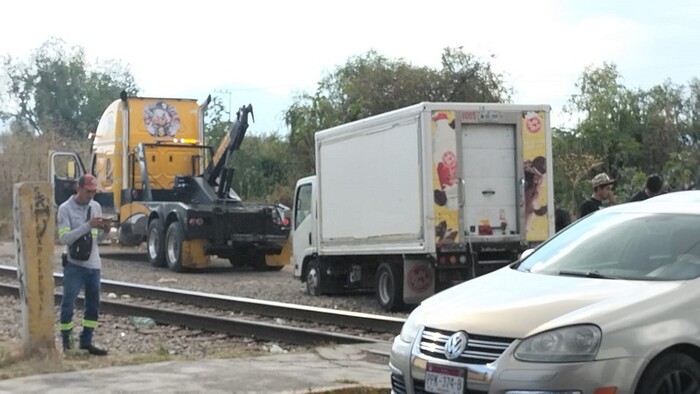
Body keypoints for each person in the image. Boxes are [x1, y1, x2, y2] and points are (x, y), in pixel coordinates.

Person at [57, 174, 110, 355]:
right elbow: (65, 238)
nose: (91, 196)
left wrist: (105, 231)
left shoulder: (96, 207)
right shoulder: (65, 209)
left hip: (93, 264)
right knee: (68, 303)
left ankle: (86, 340)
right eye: (88, 192)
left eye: (94, 192)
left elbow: (99, 239)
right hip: (74, 264)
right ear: (77, 189)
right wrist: (88, 225)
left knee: (93, 304)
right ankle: (67, 342)